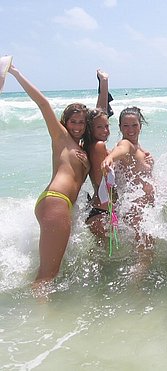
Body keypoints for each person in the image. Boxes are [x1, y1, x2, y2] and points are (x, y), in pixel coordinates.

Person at [8, 62, 90, 285]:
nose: (77, 126)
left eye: (82, 123)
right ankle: (42, 316)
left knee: (51, 272)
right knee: (47, 276)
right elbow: (43, 103)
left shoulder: (82, 150)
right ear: (66, 122)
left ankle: (43, 313)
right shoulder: (60, 137)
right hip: (56, 201)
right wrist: (16, 73)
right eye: (73, 121)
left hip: (58, 204)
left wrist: (104, 83)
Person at [101, 106, 154, 272]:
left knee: (144, 255)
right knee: (145, 257)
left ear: (140, 126)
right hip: (135, 209)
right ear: (120, 127)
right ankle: (136, 292)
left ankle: (135, 287)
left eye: (134, 125)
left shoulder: (141, 149)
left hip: (143, 209)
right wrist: (109, 158)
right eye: (125, 126)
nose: (130, 130)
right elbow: (120, 150)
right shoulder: (126, 144)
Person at [84, 69, 112, 244]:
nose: (105, 130)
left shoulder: (89, 145)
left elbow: (100, 113)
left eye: (107, 126)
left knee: (102, 259)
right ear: (91, 129)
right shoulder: (99, 146)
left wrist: (104, 84)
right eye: (100, 127)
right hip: (102, 211)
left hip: (97, 209)